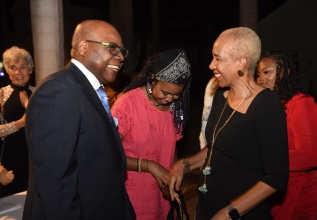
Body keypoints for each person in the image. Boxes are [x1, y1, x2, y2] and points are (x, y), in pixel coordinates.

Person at [168, 27, 289, 220]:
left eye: (218, 58)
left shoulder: (267, 105)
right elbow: (217, 147)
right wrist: (184, 165)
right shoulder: (221, 97)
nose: (211, 65)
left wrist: (229, 212)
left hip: (240, 215)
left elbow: (276, 178)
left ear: (241, 62)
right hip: (208, 208)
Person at [22, 20, 135, 220]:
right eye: (113, 48)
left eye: (122, 51)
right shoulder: (59, 91)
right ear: (83, 47)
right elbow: (56, 183)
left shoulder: (89, 90)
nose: (120, 57)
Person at [111, 49, 191, 220]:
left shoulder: (175, 109)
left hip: (163, 201)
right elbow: (109, 155)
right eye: (165, 93)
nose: (170, 99)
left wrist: (175, 175)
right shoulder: (127, 104)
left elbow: (171, 148)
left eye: (176, 95)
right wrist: (149, 166)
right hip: (133, 199)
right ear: (153, 78)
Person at [256, 51, 317, 220]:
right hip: (276, 192)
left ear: (284, 72)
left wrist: (261, 159)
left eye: (266, 72)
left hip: (298, 197)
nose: (260, 79)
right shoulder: (275, 105)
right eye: (258, 75)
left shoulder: (302, 104)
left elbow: (311, 156)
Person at [0, 46, 33, 197]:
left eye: (23, 67)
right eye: (13, 68)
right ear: (7, 71)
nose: (18, 72)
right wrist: (21, 123)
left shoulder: (38, 92)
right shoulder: (1, 94)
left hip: (34, 162)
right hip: (8, 165)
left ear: (30, 70)